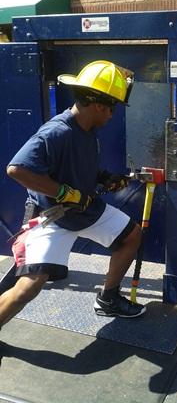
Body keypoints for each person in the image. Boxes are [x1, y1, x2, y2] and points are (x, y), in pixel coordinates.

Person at [0, 60, 146, 329]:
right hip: (53, 216)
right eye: (112, 108)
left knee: (132, 235)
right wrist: (65, 192)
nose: (112, 115)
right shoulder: (57, 131)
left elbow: (75, 164)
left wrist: (104, 177)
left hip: (85, 210)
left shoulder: (87, 130)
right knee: (27, 288)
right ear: (99, 106)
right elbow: (17, 169)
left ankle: (108, 299)